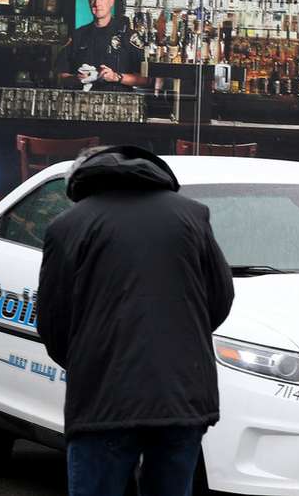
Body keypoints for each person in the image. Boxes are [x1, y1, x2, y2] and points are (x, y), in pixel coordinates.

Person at [37, 145, 234, 496]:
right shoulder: (192, 215)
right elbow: (219, 300)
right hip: (183, 396)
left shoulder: (67, 226)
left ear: (80, 184)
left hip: (102, 398)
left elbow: (53, 321)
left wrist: (85, 359)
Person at [60, 0, 148, 91]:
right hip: (84, 103)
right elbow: (60, 75)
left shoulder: (128, 35)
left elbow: (146, 79)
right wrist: (77, 78)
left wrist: (116, 77)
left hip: (119, 104)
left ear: (111, 1)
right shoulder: (78, 35)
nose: (97, 4)